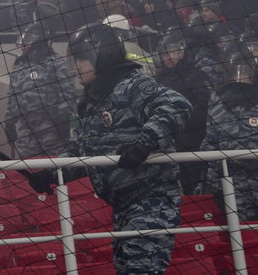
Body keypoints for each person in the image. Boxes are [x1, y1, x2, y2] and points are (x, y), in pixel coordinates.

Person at [26, 23, 192, 275]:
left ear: (102, 55)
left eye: (82, 58)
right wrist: (52, 173)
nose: (75, 66)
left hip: (150, 200)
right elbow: (83, 152)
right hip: (122, 205)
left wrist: (144, 143)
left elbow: (178, 106)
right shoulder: (91, 101)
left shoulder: (132, 85)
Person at [201, 41, 258, 221]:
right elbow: (210, 145)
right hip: (233, 191)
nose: (240, 76)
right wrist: (213, 185)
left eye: (244, 71)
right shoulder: (217, 104)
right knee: (238, 243)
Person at [4, 22, 77, 158]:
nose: (23, 46)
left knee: (56, 169)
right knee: (28, 171)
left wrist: (62, 121)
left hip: (52, 129)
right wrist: (9, 123)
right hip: (26, 130)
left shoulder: (56, 64)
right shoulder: (20, 66)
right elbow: (13, 98)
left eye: (27, 42)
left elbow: (67, 95)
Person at [153, 29, 211, 194]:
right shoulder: (159, 80)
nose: (168, 57)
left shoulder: (196, 76)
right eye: (164, 54)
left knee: (192, 190)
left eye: (172, 52)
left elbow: (204, 109)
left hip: (190, 144)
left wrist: (177, 119)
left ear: (182, 51)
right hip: (164, 146)